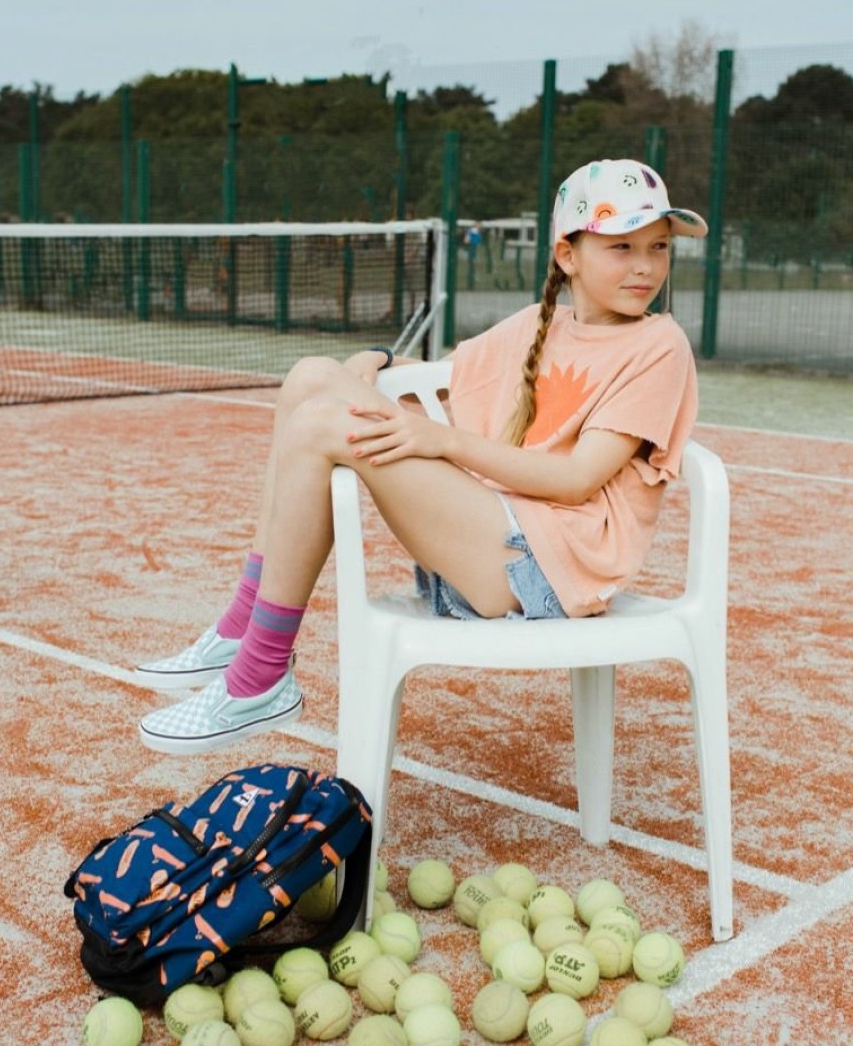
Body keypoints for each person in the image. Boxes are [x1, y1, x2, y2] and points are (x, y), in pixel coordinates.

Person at [135, 158, 707, 755]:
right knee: (311, 379)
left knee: (322, 427)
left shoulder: (658, 345)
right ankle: (241, 628)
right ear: (569, 255)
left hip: (549, 571)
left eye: (659, 246)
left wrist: (445, 442)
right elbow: (447, 380)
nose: (645, 266)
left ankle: (261, 675)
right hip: (492, 539)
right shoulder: (542, 326)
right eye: (622, 247)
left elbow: (573, 480)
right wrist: (376, 361)